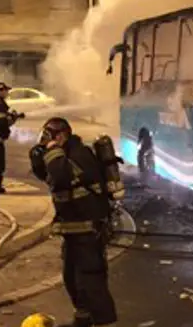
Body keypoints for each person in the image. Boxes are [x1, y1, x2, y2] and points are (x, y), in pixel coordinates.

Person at [29, 117, 118, 327]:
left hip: (89, 229)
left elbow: (60, 177)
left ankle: (105, 322)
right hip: (73, 229)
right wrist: (38, 155)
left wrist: (52, 151)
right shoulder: (64, 154)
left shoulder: (80, 154)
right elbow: (45, 175)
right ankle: (83, 319)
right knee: (71, 277)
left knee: (91, 279)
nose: (46, 141)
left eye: (49, 136)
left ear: (62, 135)